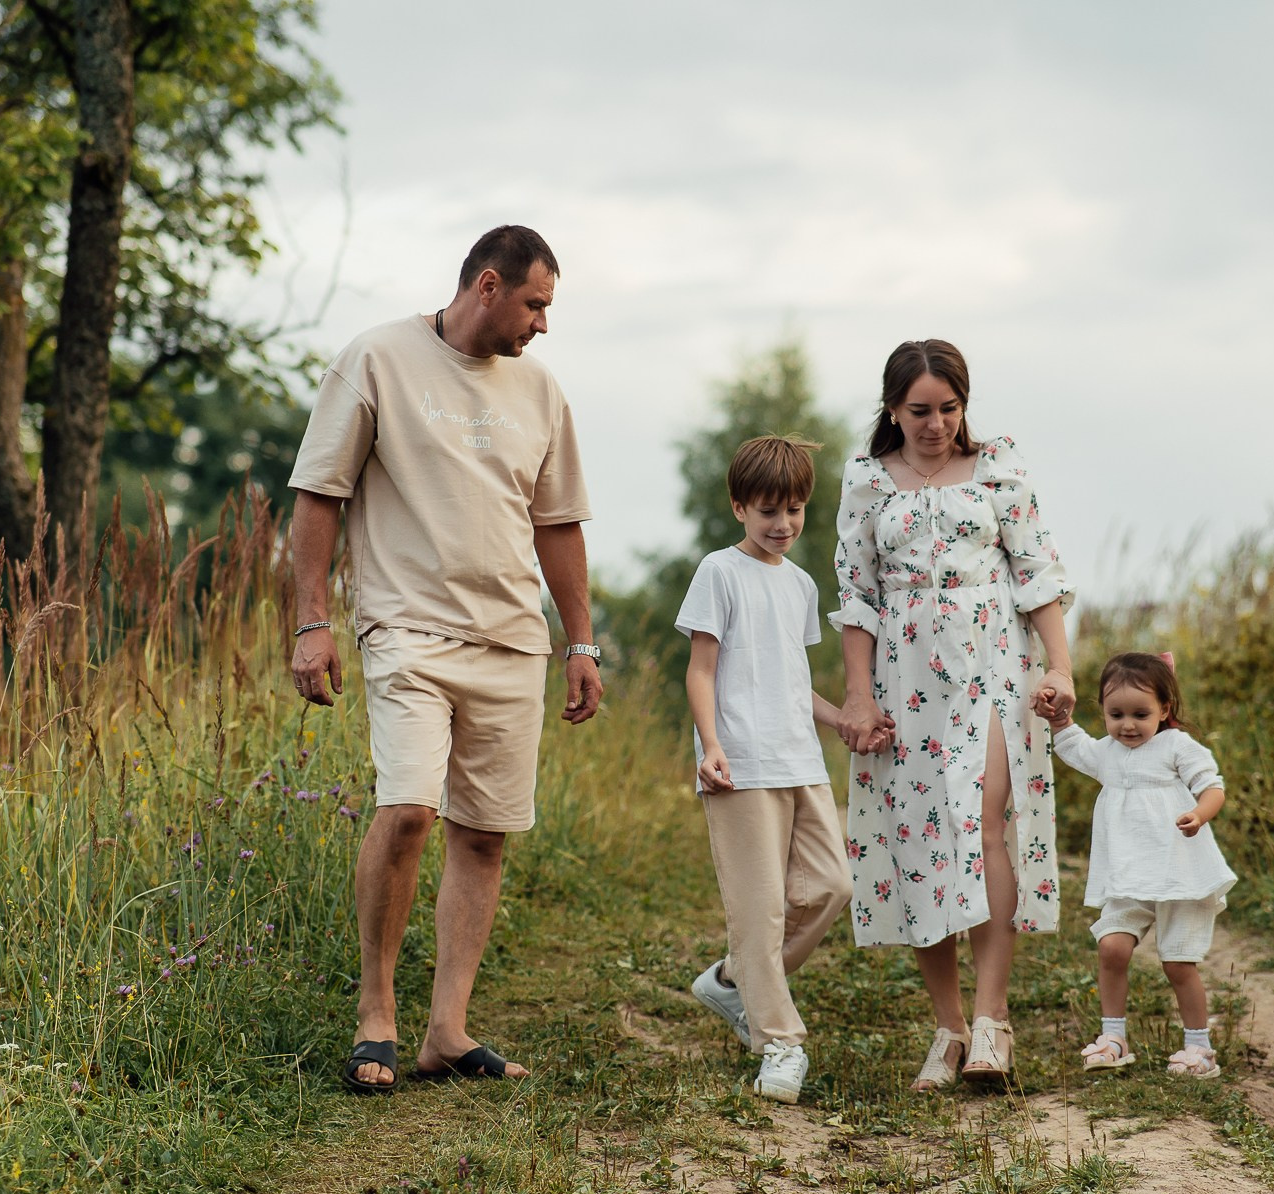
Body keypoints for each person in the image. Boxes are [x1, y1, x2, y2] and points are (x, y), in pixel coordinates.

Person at [286, 225, 603, 1094]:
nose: (543, 324)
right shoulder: (378, 358)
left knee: (485, 835)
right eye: (537, 304)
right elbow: (319, 492)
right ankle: (376, 1013)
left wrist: (580, 640)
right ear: (490, 285)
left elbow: (559, 525)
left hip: (511, 639)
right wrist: (312, 621)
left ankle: (446, 1029)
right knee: (411, 810)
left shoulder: (540, 392)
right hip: (406, 629)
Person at [830, 339, 1076, 1092]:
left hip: (993, 669)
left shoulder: (998, 467)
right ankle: (948, 1027)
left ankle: (994, 1021)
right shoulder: (869, 480)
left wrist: (1059, 665)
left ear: (964, 405)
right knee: (921, 841)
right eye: (919, 411)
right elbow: (857, 595)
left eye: (948, 408)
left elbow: (1037, 571)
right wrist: (859, 692)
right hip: (903, 683)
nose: (935, 424)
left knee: (987, 824)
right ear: (892, 410)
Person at [676, 436, 861, 1104]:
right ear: (738, 507)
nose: (782, 523)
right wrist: (710, 744)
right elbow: (701, 669)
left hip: (800, 760)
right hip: (741, 765)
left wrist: (838, 717)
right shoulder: (719, 572)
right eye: (767, 511)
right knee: (761, 912)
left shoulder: (802, 583)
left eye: (794, 509)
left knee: (834, 884)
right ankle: (780, 1041)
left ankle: (732, 980)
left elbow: (789, 678)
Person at [1047, 652, 1235, 1080]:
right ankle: (1113, 1037)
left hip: (1178, 873)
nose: (1127, 725)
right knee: (1111, 948)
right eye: (1116, 714)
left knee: (1177, 963)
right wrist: (1058, 718)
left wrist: (1200, 814)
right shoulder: (1108, 752)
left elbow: (1212, 787)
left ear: (1164, 710)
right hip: (1127, 876)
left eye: (1140, 714)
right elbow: (1075, 746)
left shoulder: (1175, 746)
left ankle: (1199, 1047)